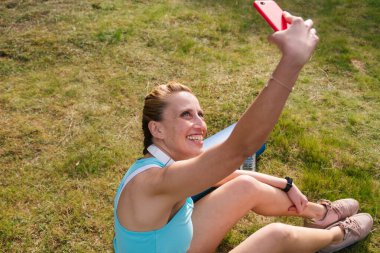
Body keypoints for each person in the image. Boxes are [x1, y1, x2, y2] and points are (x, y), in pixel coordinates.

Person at [113, 12, 373, 253]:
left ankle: (320, 216)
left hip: (174, 242)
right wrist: (291, 61)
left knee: (246, 185)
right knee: (276, 236)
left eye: (199, 114)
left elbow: (223, 173)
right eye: (185, 115)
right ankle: (337, 235)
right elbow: (237, 149)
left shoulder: (164, 162)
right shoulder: (153, 183)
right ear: (156, 128)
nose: (200, 124)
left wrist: (286, 184)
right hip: (174, 244)